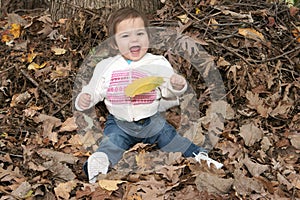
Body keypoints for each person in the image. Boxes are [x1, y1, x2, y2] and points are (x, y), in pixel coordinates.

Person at [75, 7, 223, 183]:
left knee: (170, 138)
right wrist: (86, 98)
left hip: (152, 119)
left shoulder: (156, 62)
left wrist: (176, 84)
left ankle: (199, 157)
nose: (134, 40)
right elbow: (94, 89)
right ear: (114, 43)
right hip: (119, 123)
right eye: (125, 36)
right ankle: (98, 165)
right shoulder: (107, 66)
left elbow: (168, 89)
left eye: (140, 34)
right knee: (112, 142)